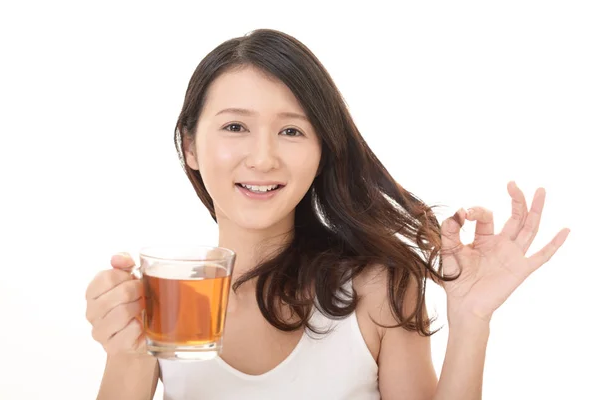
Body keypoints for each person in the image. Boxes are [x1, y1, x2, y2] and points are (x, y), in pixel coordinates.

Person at [84, 29, 570, 400]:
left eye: (291, 131)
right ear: (189, 145)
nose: (262, 158)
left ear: (322, 149)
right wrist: (126, 353)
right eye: (235, 126)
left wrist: (471, 319)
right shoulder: (166, 301)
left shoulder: (379, 289)